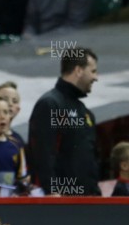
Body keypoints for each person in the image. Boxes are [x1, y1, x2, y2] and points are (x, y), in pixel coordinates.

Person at [28, 47, 100, 196]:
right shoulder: (50, 104)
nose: (96, 77)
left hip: (89, 201)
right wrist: (52, 191)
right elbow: (42, 153)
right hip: (62, 204)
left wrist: (95, 192)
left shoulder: (85, 112)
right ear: (79, 70)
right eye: (93, 71)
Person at [0, 81, 24, 145]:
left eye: (14, 101)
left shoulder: (18, 141)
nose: (10, 104)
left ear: (18, 109)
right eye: (5, 99)